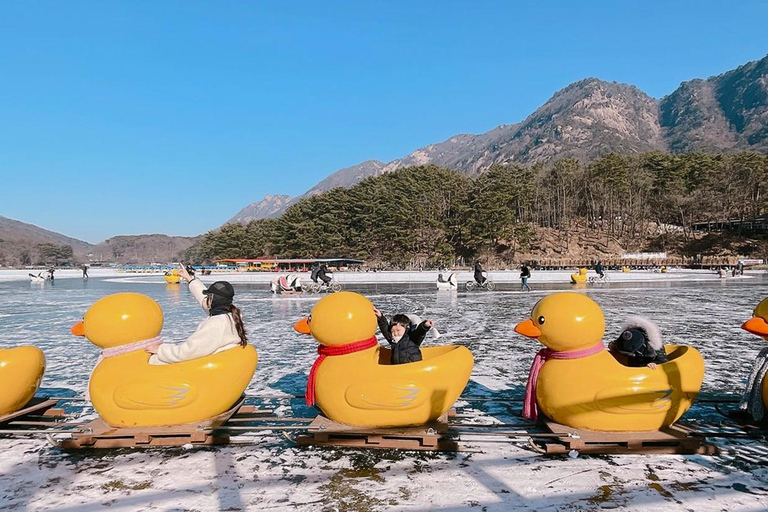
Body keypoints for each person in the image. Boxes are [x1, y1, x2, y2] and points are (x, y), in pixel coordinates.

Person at [146, 264, 248, 364]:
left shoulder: (216, 324)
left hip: (203, 366)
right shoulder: (232, 315)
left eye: (208, 297)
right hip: (221, 359)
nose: (206, 300)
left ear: (212, 299)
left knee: (154, 361)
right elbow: (203, 299)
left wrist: (160, 350)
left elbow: (186, 353)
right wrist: (189, 279)